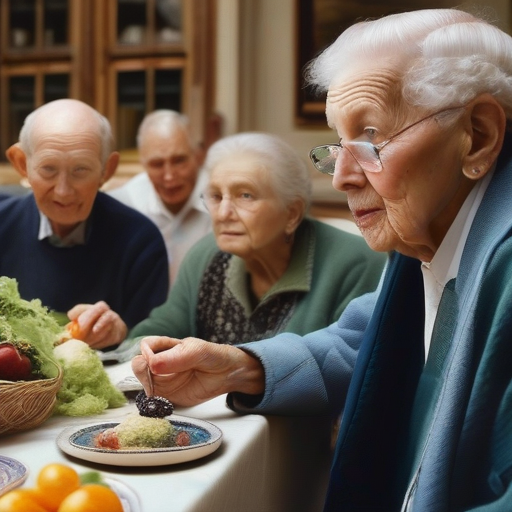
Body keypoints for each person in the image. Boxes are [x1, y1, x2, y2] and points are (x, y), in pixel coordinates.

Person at [130, 8, 512, 511]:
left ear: (478, 135)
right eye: (338, 143)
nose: (341, 178)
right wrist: (238, 367)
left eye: (371, 137)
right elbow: (361, 344)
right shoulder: (428, 239)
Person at [92, 132, 386, 357]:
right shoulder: (206, 256)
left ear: (292, 213)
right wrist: (120, 337)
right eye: (216, 196)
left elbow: (345, 370)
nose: (222, 214)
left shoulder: (355, 264)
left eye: (245, 195)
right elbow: (159, 332)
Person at [3, 99, 169, 348]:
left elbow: (155, 342)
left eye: (80, 170)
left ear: (106, 170)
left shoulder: (141, 242)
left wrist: (122, 334)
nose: (63, 191)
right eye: (48, 169)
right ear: (22, 163)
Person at [108, 110, 211, 284]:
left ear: (198, 156)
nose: (169, 176)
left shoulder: (224, 202)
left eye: (179, 160)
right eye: (157, 164)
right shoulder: (123, 204)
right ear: (143, 164)